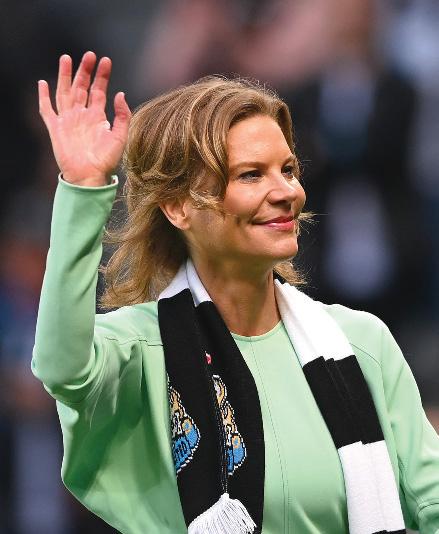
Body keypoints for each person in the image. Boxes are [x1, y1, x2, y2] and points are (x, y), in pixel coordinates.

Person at [33, 51, 439, 534]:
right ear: (178, 207)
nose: (286, 192)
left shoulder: (362, 342)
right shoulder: (137, 350)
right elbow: (60, 366)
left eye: (288, 170)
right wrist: (83, 190)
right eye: (251, 175)